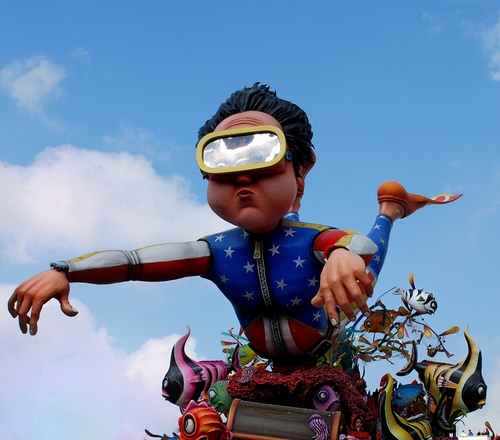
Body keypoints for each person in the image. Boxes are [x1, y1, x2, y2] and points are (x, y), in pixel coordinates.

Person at [8, 83, 459, 366]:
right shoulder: (216, 251)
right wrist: (66, 270)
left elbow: (358, 245)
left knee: (363, 269)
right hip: (268, 368)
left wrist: (341, 253)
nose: (243, 179)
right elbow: (136, 261)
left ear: (299, 168)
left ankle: (391, 209)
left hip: (326, 354)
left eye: (263, 164)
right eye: (225, 169)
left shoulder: (311, 241)